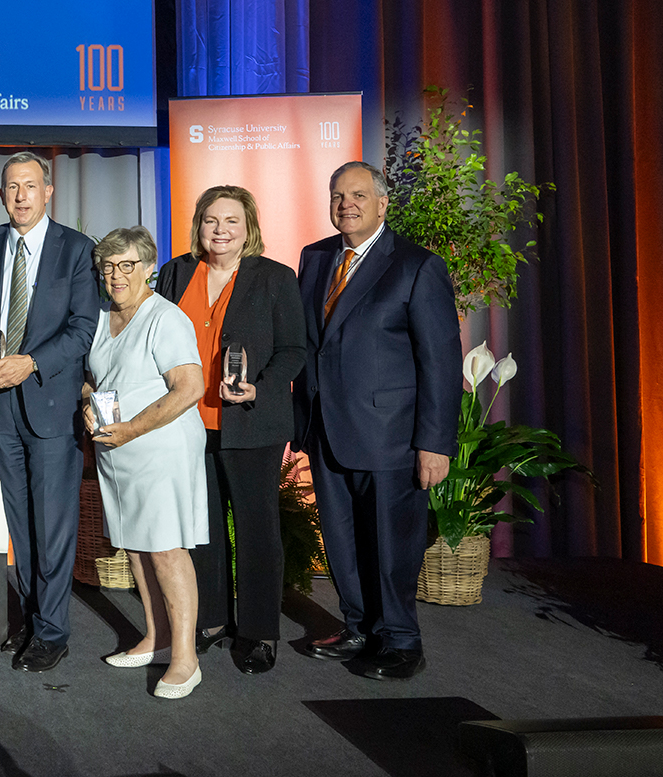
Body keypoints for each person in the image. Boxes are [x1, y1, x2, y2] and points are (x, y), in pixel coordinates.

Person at [292, 162, 460, 681]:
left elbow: (441, 361)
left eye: (359, 195)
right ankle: (359, 626)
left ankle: (402, 640)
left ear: (382, 204)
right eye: (338, 195)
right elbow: (307, 342)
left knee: (391, 542)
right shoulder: (316, 257)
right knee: (341, 539)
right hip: (327, 429)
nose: (347, 204)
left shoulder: (417, 265)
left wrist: (435, 443)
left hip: (392, 436)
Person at [156, 186, 306, 675]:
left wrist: (260, 390)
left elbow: (293, 351)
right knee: (204, 531)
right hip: (187, 422)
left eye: (231, 221)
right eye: (210, 220)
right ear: (198, 225)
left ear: (249, 227)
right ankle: (213, 620)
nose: (220, 230)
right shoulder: (177, 272)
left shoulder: (275, 278)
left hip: (251, 424)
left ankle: (260, 630)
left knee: (257, 530)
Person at [0, 152, 101, 673]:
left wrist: (30, 363)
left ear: (49, 192)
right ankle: (34, 614)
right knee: (19, 522)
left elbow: (83, 328)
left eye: (29, 185)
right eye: (11, 187)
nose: (20, 195)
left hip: (50, 402)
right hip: (0, 402)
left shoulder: (76, 249)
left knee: (54, 525)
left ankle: (53, 632)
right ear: (2, 195)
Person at [84, 227, 209, 699]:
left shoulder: (166, 318)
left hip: (160, 448)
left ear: (149, 267)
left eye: (127, 265)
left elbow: (190, 388)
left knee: (166, 549)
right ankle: (156, 639)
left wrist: (132, 429)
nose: (116, 276)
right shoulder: (102, 316)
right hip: (117, 449)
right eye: (108, 267)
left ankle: (185, 659)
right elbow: (95, 377)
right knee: (137, 546)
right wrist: (87, 400)